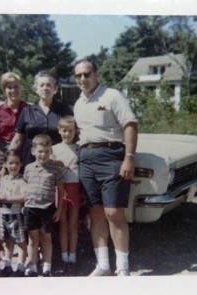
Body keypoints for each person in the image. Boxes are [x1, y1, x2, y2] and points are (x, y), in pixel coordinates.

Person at [73, 58, 138, 276]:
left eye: (87, 74)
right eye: (78, 75)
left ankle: (122, 268)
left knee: (114, 212)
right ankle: (103, 265)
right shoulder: (78, 103)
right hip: (87, 159)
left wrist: (129, 157)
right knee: (96, 212)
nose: (83, 78)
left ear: (96, 74)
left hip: (112, 156)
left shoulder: (112, 95)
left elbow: (130, 124)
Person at [0, 72, 28, 266]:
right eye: (9, 87)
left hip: (22, 153)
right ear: (4, 90)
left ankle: (24, 251)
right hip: (0, 152)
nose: (13, 90)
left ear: (21, 88)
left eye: (16, 86)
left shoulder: (29, 108)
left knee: (25, 202)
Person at [7, 70, 73, 167]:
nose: (45, 88)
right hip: (30, 161)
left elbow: (73, 135)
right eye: (41, 85)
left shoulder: (64, 110)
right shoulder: (27, 111)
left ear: (55, 89)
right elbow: (17, 140)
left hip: (57, 161)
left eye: (48, 85)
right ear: (36, 89)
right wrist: (7, 163)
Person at [23, 134, 64, 277]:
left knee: (46, 238)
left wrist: (58, 210)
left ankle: (47, 268)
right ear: (33, 151)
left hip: (47, 208)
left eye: (47, 151)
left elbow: (60, 191)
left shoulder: (55, 170)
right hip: (31, 208)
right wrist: (24, 204)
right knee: (33, 239)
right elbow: (25, 186)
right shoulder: (28, 168)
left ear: (50, 151)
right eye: (40, 151)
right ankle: (32, 266)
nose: (43, 154)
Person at [51, 116, 83, 276]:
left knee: (74, 225)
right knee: (62, 225)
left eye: (70, 130)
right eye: (64, 130)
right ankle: (64, 259)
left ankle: (73, 258)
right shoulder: (54, 149)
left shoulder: (79, 148)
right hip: (61, 189)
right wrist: (55, 165)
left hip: (75, 189)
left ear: (75, 131)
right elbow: (50, 169)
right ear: (59, 130)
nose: (67, 133)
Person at [0, 149, 27, 276]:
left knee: (21, 241)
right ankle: (7, 264)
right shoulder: (4, 179)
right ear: (5, 164)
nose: (14, 166)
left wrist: (9, 198)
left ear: (21, 164)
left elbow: (24, 197)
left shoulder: (22, 180)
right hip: (4, 215)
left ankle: (21, 266)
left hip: (16, 215)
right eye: (11, 163)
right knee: (8, 240)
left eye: (17, 163)